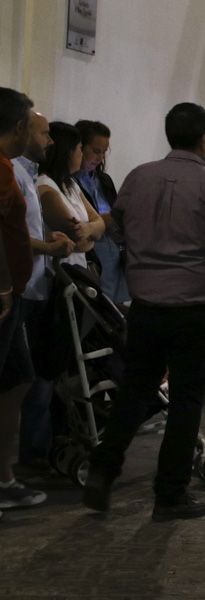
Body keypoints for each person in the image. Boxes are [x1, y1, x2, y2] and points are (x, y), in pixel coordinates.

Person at [83, 102, 205, 521]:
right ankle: (169, 494)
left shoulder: (139, 178)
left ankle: (102, 470)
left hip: (146, 306)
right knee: (185, 401)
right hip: (196, 308)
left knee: (136, 391)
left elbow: (118, 228)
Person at [13, 111, 74, 472]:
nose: (50, 141)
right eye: (44, 133)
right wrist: (47, 248)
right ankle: (28, 455)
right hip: (20, 289)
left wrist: (46, 241)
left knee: (36, 375)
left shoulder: (26, 173)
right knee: (26, 377)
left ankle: (35, 450)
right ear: (21, 130)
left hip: (34, 286)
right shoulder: (15, 174)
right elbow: (11, 234)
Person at [0, 87, 41, 518]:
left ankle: (4, 477)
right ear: (17, 127)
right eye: (33, 124)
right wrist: (2, 286)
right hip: (4, 297)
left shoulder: (9, 167)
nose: (38, 132)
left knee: (17, 380)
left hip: (14, 295)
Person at [73, 120, 127, 303]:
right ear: (79, 148)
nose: (100, 157)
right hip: (90, 255)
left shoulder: (103, 180)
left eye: (104, 152)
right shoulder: (69, 182)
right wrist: (102, 220)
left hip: (113, 252)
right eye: (96, 151)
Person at [38, 122, 105, 269]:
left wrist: (88, 229)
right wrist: (92, 233)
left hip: (75, 270)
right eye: (80, 148)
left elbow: (100, 223)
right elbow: (78, 242)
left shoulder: (71, 183)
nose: (82, 154)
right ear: (68, 151)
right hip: (57, 273)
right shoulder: (46, 187)